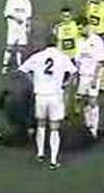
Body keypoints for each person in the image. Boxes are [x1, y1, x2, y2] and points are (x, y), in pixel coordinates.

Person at [18, 36, 77, 170]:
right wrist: (65, 84)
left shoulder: (38, 56)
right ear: (57, 43)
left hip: (41, 95)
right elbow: (74, 73)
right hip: (55, 96)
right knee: (54, 127)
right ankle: (53, 160)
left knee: (41, 124)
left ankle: (40, 153)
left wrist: (34, 81)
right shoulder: (62, 57)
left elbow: (22, 70)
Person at [74, 23, 104, 139]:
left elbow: (100, 62)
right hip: (82, 75)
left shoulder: (97, 41)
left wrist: (95, 78)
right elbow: (77, 60)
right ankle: (88, 124)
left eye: (81, 28)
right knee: (83, 99)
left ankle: (94, 128)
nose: (80, 30)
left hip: (93, 75)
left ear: (87, 26)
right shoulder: (79, 41)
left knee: (93, 100)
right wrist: (76, 75)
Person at [2, 0, 33, 74]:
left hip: (22, 28)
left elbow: (28, 16)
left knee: (21, 47)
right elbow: (7, 13)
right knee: (10, 47)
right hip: (13, 28)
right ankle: (5, 65)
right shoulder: (11, 1)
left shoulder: (27, 1)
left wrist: (28, 26)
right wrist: (16, 18)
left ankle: (19, 65)